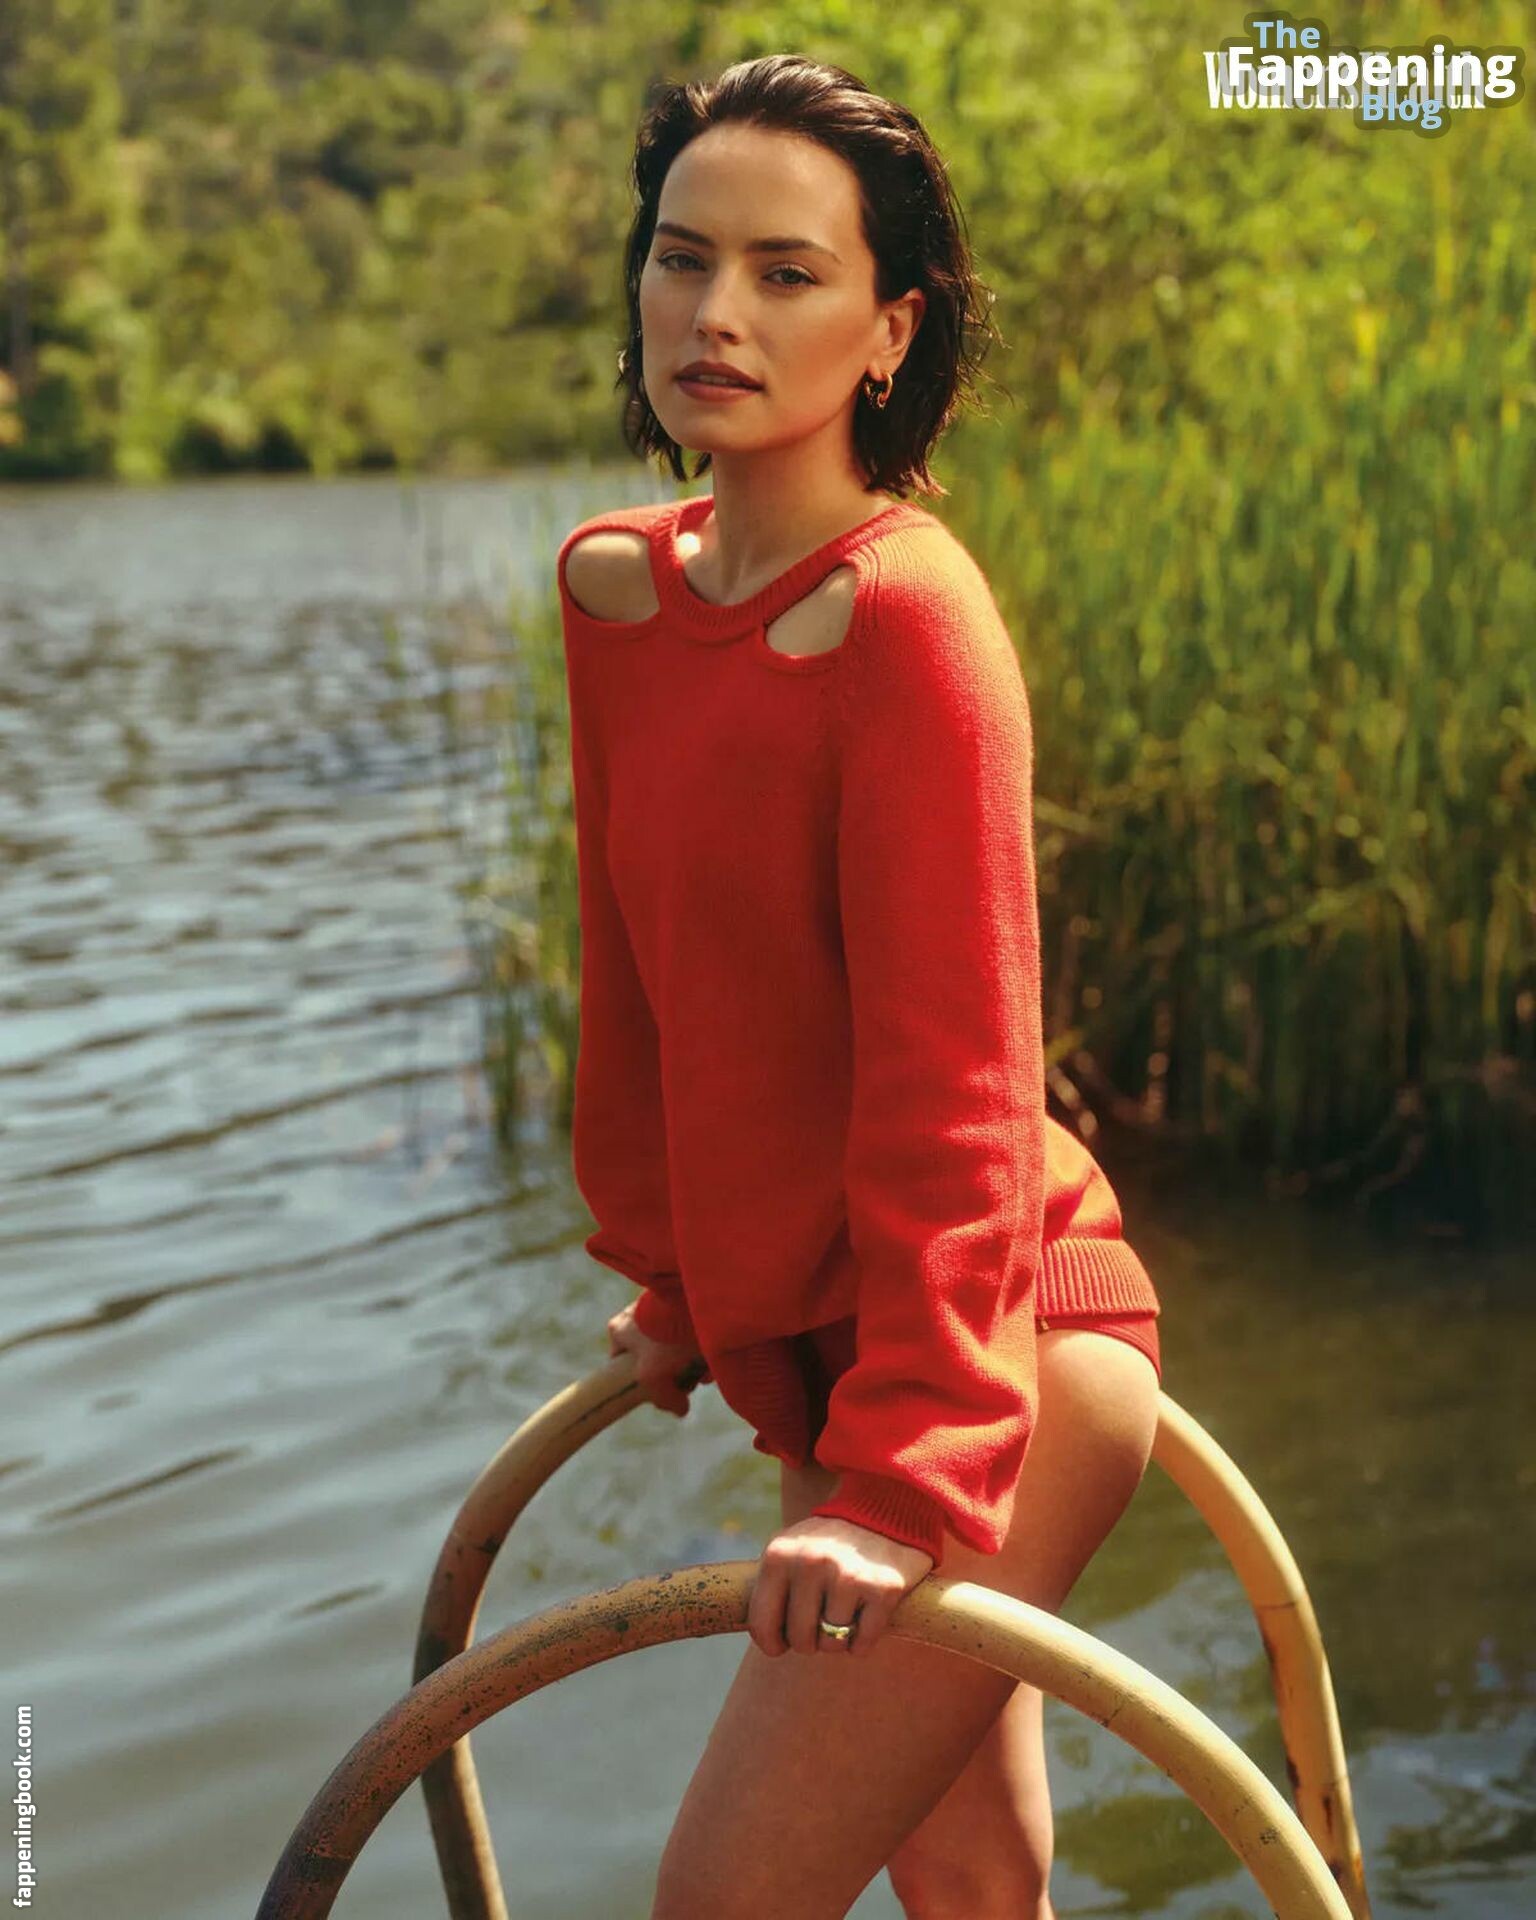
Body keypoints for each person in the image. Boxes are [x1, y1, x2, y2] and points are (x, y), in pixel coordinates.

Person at [555, 53, 1163, 1920]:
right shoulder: (612, 592)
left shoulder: (909, 617)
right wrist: (679, 1271)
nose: (716, 313)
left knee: (719, 1905)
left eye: (788, 273)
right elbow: (639, 982)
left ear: (891, 331)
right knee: (974, 1888)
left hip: (992, 1352)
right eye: (683, 258)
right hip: (826, 1358)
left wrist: (903, 1481)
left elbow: (958, 1083)